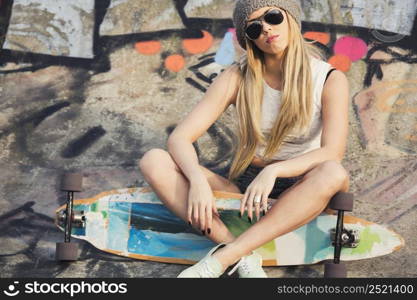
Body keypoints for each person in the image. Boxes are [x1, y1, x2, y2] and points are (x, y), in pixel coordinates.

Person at [139, 0, 350, 278]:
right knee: (154, 160)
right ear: (248, 39)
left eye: (273, 17)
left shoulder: (329, 79)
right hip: (249, 188)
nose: (266, 29)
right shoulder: (238, 77)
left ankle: (221, 259)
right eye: (254, 28)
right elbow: (180, 138)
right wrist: (198, 181)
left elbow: (332, 152)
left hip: (305, 185)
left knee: (333, 172)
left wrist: (275, 170)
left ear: (291, 19)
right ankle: (242, 254)